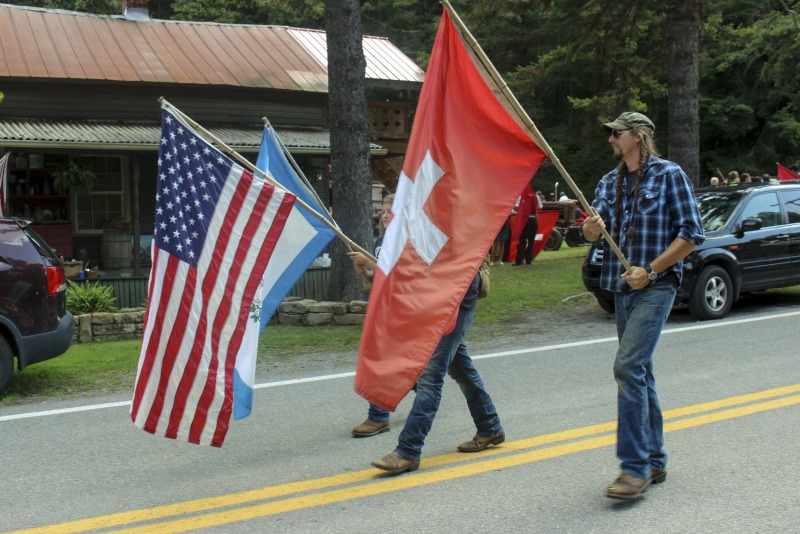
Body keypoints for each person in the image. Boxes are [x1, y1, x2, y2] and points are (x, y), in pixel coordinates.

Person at [581, 111, 704, 500]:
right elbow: (590, 232)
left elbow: (691, 233)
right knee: (641, 372)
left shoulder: (669, 175)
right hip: (621, 288)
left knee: (628, 366)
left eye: (616, 132)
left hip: (656, 286)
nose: (611, 139)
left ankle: (633, 470)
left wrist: (650, 271)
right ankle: (654, 459)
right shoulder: (608, 182)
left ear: (638, 135)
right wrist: (591, 228)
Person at [370, 271, 505, 474]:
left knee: (430, 377)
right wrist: (371, 273)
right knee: (460, 369)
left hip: (457, 285)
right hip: (436, 288)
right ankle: (490, 427)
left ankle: (408, 451)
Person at [349, 194, 396, 437]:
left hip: (401, 310)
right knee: (399, 362)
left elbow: (399, 276)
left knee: (380, 361)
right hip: (382, 308)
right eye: (385, 211)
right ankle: (426, 394)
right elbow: (380, 280)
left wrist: (371, 260)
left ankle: (378, 416)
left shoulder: (404, 240)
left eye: (392, 210)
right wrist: (365, 272)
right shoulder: (381, 240)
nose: (386, 215)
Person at [512, 184, 540, 266]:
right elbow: (540, 206)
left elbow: (516, 207)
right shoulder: (536, 196)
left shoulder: (521, 196)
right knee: (531, 241)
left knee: (522, 240)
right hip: (534, 219)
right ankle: (528, 260)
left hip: (525, 220)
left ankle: (519, 260)